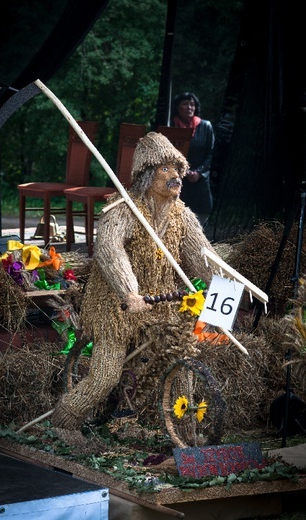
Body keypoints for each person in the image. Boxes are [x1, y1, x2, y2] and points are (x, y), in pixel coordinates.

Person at [52, 132, 219, 431]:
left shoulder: (183, 216)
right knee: (105, 376)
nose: (174, 176)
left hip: (161, 305)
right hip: (116, 308)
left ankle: (184, 436)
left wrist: (229, 286)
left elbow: (204, 258)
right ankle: (62, 425)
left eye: (177, 169)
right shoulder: (123, 209)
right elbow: (110, 250)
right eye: (164, 169)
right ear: (146, 174)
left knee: (181, 362)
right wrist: (129, 291)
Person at [171, 92, 215, 227]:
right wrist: (183, 171)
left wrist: (199, 173)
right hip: (177, 180)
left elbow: (212, 154)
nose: (189, 107)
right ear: (178, 108)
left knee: (199, 222)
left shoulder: (206, 126)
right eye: (185, 104)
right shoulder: (170, 126)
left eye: (192, 104)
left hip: (199, 182)